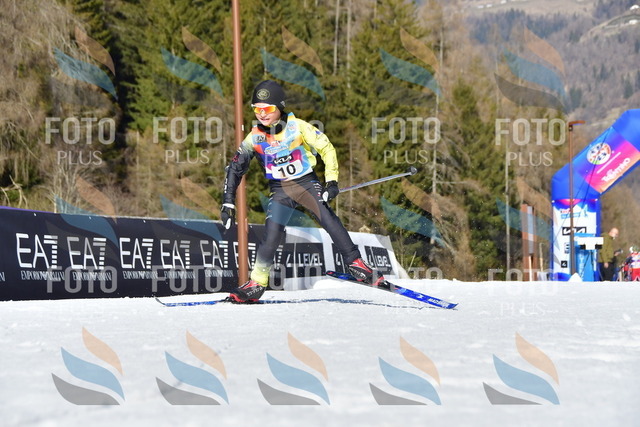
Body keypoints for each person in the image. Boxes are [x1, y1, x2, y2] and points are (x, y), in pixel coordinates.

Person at [220, 80, 384, 303]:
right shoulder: (254, 137)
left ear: (280, 106)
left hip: (306, 183)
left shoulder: (298, 127)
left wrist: (331, 181)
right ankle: (257, 283)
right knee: (271, 235)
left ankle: (355, 262)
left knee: (327, 217)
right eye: (257, 109)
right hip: (280, 190)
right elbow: (235, 169)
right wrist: (228, 202)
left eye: (267, 108)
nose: (262, 114)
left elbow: (326, 148)